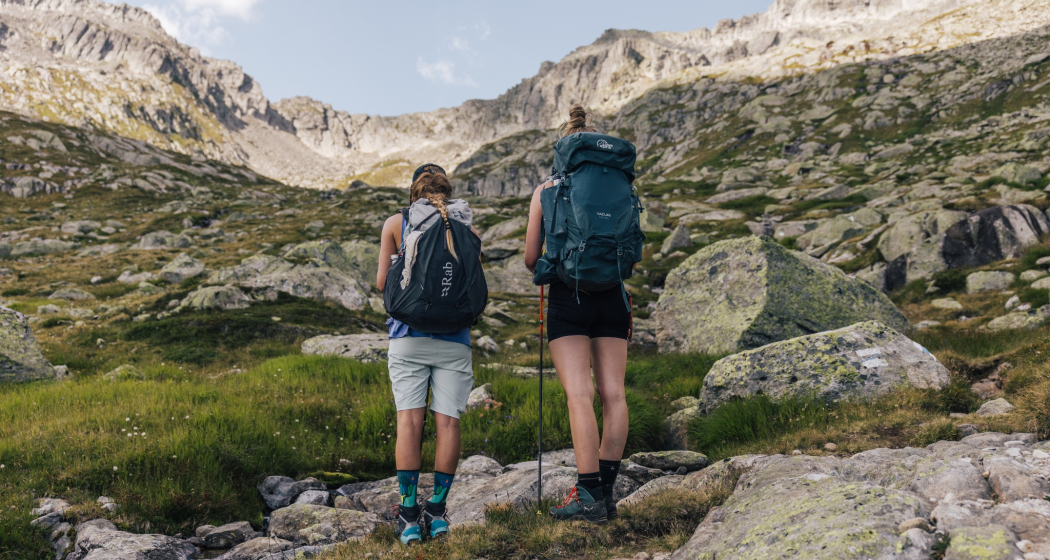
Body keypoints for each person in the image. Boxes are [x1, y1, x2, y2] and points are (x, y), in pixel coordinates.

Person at [523, 106, 631, 524]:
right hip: (614, 296)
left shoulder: (547, 188)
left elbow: (533, 258)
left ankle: (585, 494)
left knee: (580, 394)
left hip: (570, 297)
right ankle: (605, 493)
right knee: (614, 394)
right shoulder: (619, 182)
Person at [377, 164, 477, 545]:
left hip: (407, 337)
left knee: (410, 423)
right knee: (448, 425)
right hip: (455, 339)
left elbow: (382, 283)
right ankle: (436, 512)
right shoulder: (464, 222)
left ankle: (407, 515)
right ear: (446, 190)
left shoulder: (394, 222)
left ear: (413, 191)